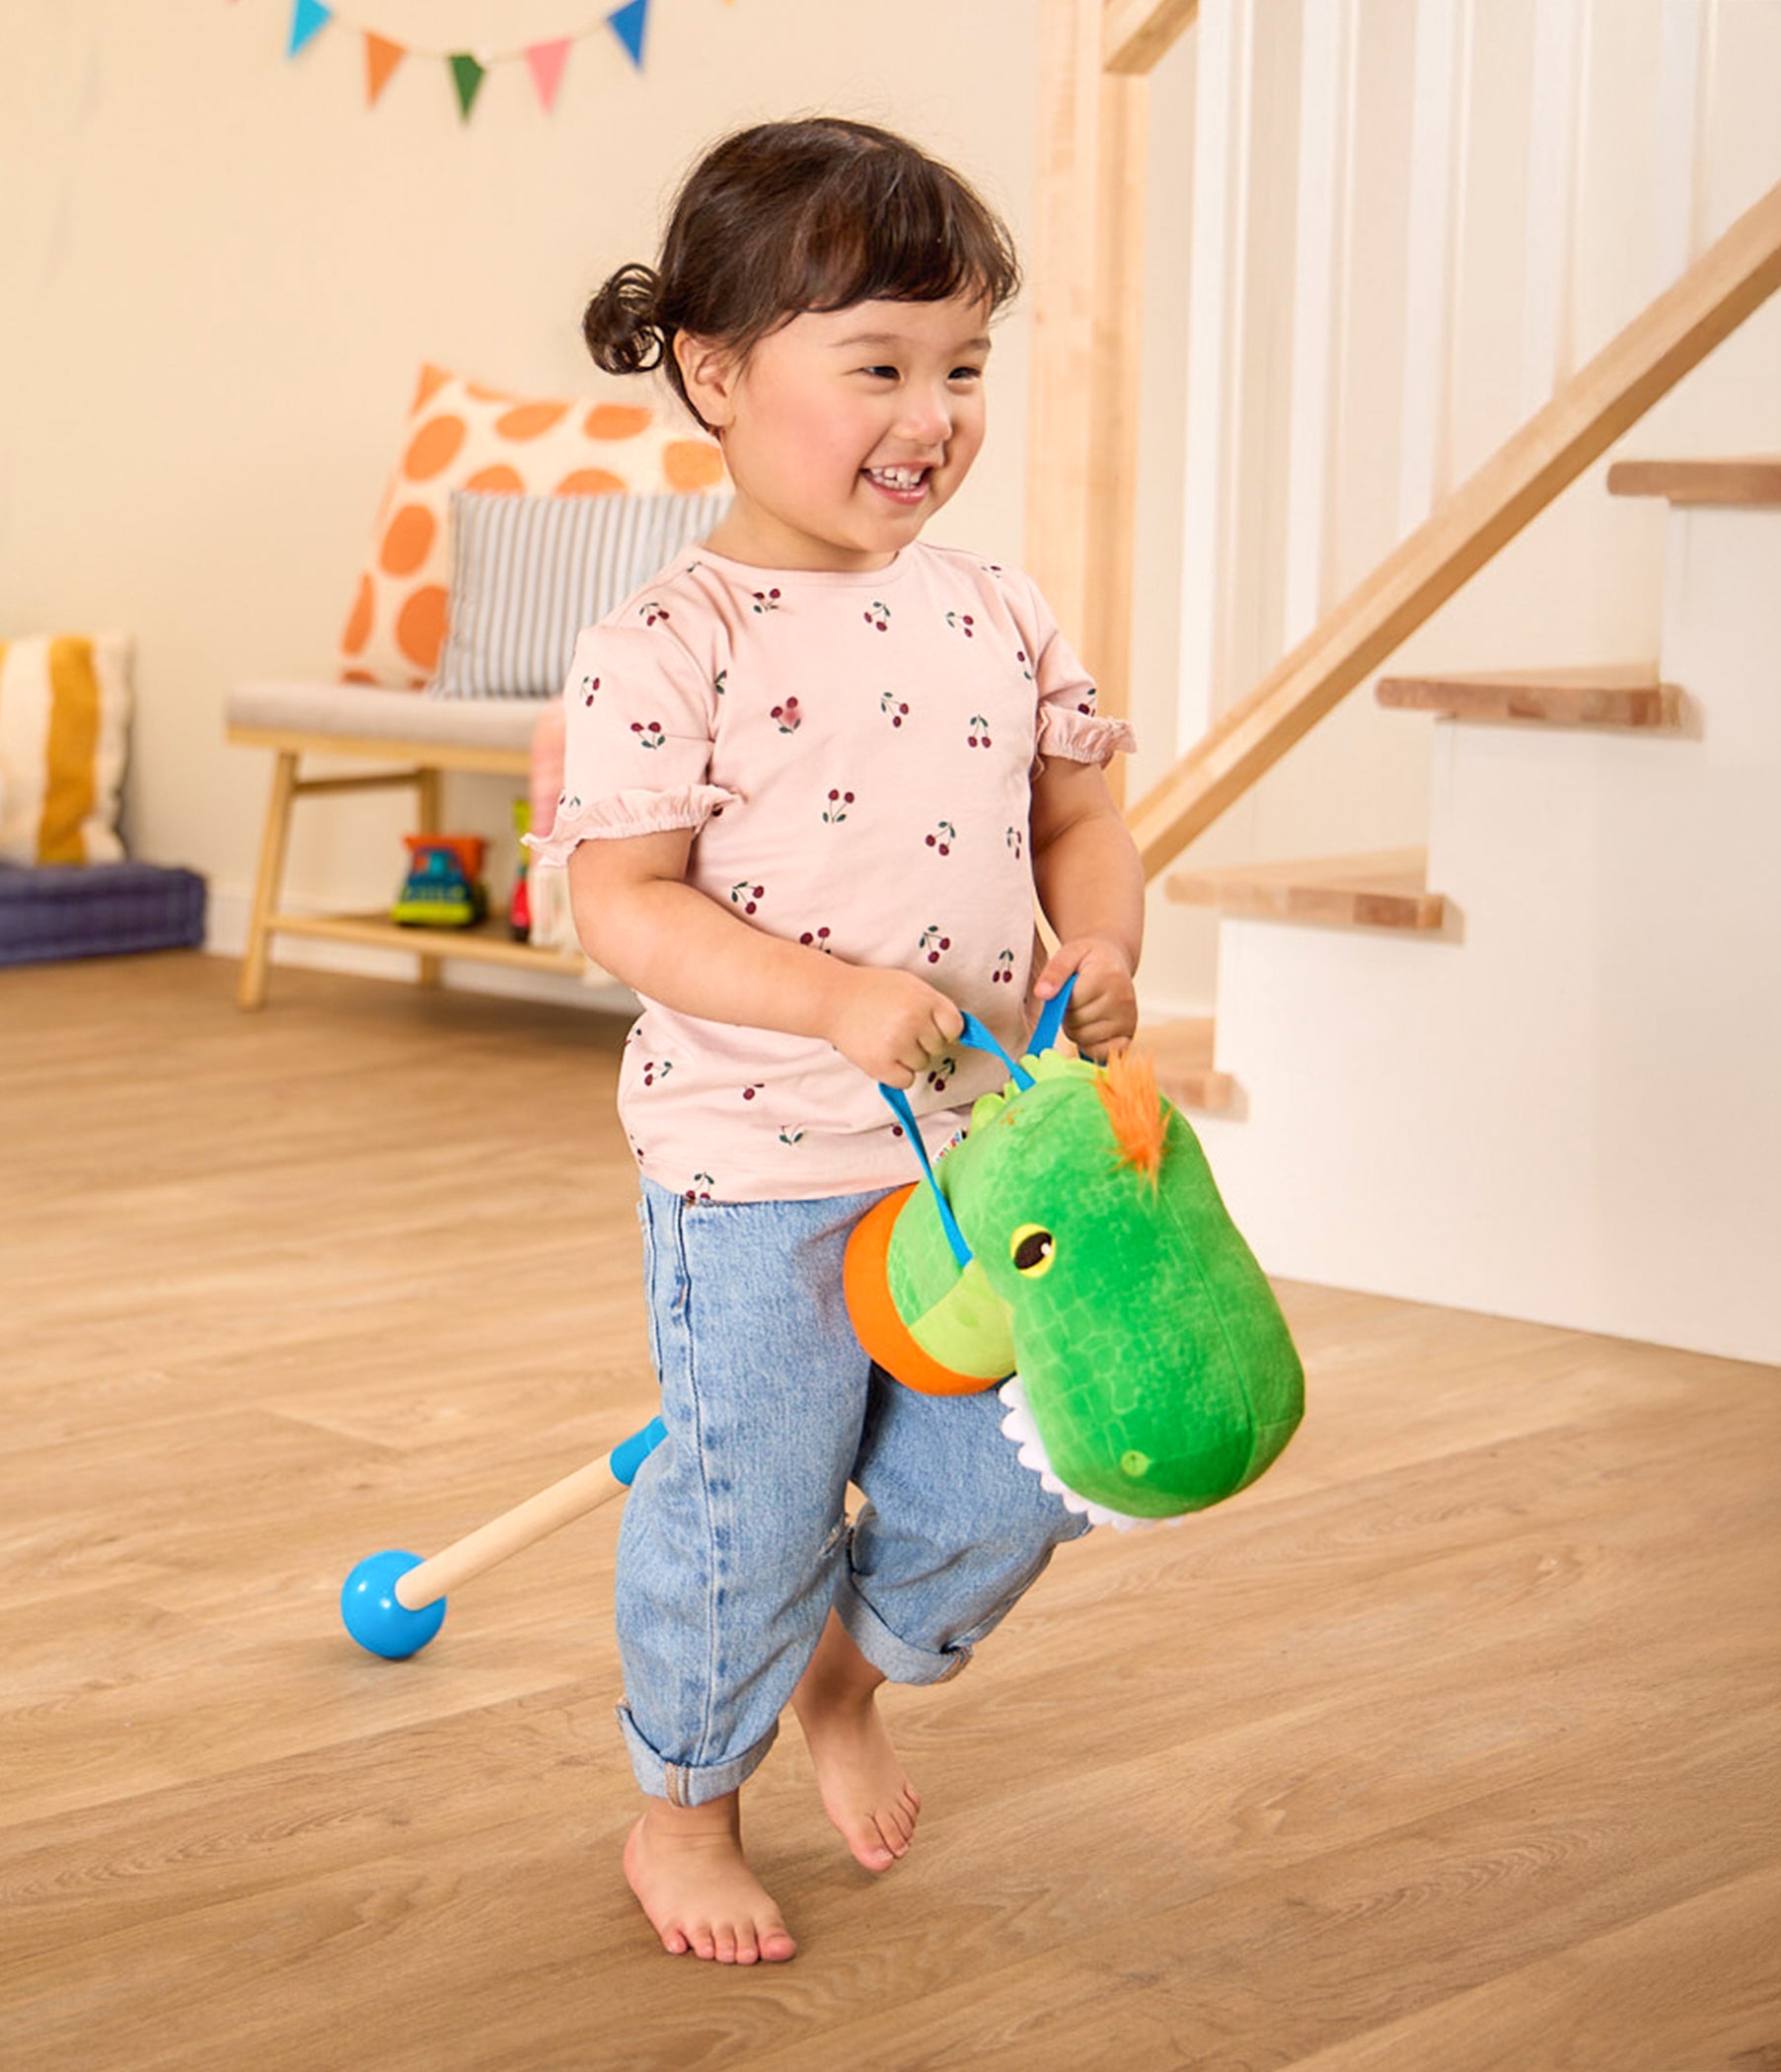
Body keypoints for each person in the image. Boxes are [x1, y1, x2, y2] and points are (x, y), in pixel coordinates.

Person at [531, 117, 1145, 1965]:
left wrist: (1104, 942)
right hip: (757, 1169)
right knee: (754, 1498)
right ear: (716, 374)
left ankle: (849, 1675)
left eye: (964, 365)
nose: (934, 410)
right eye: (877, 361)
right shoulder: (667, 643)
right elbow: (619, 902)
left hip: (978, 1145)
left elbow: (1081, 821)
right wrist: (828, 1001)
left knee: (1036, 1466)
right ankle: (684, 1807)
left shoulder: (1000, 609)